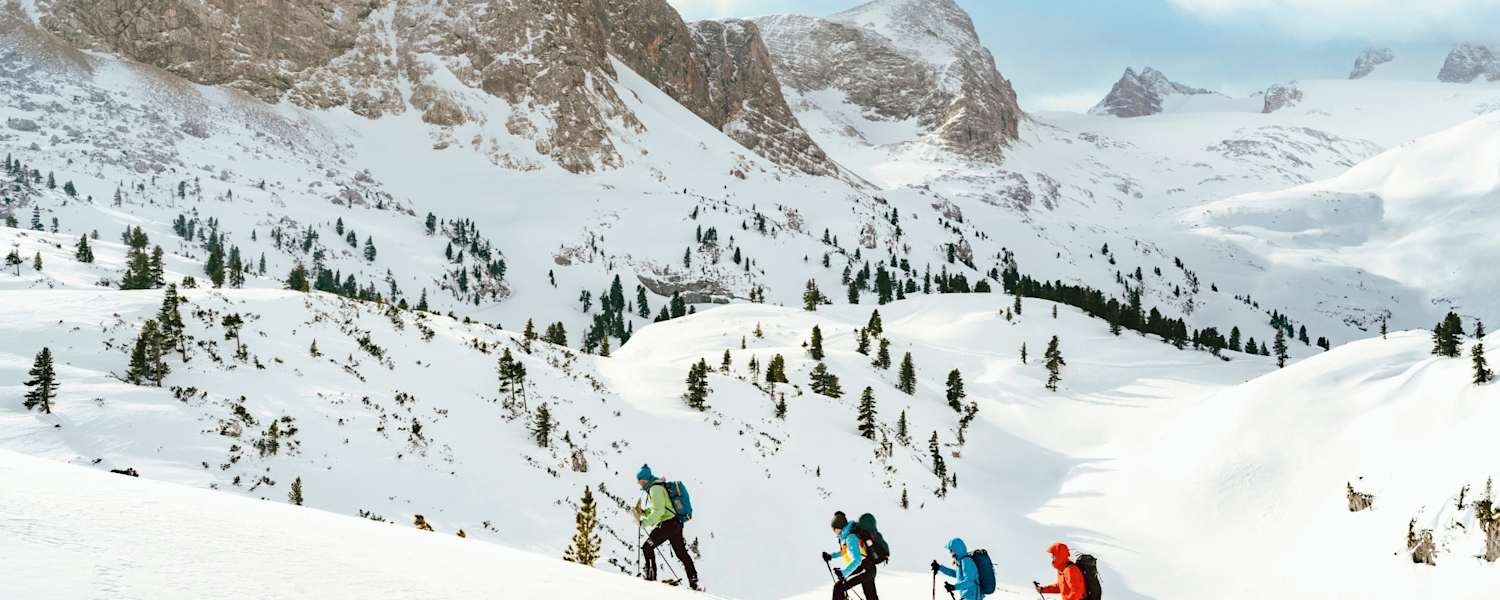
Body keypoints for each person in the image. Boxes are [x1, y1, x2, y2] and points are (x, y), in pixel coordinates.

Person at [634, 464, 698, 590]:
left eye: (640, 481)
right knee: (681, 553)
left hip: (668, 524)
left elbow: (659, 511)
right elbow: (658, 508)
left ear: (645, 479)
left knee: (647, 547)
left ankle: (650, 577)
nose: (639, 484)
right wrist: (644, 512)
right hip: (676, 523)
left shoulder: (655, 489)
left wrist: (643, 522)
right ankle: (694, 581)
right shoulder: (657, 487)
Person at [823, 511, 879, 600]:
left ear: (838, 527)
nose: (833, 531)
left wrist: (844, 573)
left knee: (839, 587)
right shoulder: (848, 536)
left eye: (834, 528)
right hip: (869, 568)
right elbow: (844, 552)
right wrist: (831, 556)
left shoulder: (850, 537)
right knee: (871, 596)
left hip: (864, 568)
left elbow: (857, 560)